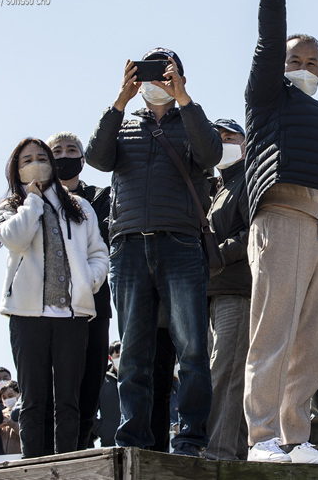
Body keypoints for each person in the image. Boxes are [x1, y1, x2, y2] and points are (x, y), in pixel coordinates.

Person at [85, 47, 222, 456]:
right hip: (127, 246)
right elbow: (96, 157)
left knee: (193, 349)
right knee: (132, 354)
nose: (157, 80)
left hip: (179, 244)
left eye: (167, 72)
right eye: (149, 73)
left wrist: (184, 99)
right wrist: (120, 101)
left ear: (180, 76)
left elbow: (211, 155)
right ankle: (134, 441)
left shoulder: (194, 121)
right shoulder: (125, 124)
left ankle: (192, 439)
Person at [243, 0, 318, 465]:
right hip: (280, 216)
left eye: (312, 63)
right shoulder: (266, 98)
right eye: (295, 60)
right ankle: (261, 435)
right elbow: (268, 48)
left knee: (313, 339)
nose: (303, 68)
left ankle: (297, 437)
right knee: (273, 329)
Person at [0, 137, 108, 458]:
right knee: (34, 398)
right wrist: (33, 201)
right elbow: (15, 237)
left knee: (69, 398)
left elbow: (99, 252)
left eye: (42, 157)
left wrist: (88, 281)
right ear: (16, 168)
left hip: (72, 315)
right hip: (27, 316)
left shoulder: (79, 206)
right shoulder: (9, 207)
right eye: (27, 160)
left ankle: (66, 464)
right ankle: (34, 464)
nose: (36, 163)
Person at [47, 131, 112, 451]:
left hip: (95, 304)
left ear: (83, 160)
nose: (63, 155)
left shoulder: (102, 198)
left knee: (90, 384)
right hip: (51, 308)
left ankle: (81, 451)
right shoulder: (36, 200)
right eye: (55, 151)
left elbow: (103, 246)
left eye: (71, 150)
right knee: (55, 386)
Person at [206, 118, 251, 461]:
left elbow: (256, 232)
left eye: (229, 136)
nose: (223, 142)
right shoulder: (217, 186)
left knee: (229, 372)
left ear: (245, 141)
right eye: (216, 137)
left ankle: (220, 453)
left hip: (239, 290)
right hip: (215, 291)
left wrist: (216, 255)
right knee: (222, 372)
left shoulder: (249, 180)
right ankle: (234, 451)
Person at [94, 341, 121, 448]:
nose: (121, 359)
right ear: (111, 358)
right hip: (109, 443)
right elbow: (91, 411)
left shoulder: (134, 380)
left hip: (133, 443)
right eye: (118, 356)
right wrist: (103, 431)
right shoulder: (102, 381)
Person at [0, 381, 21, 454]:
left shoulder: (24, 411)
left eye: (10, 396)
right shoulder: (1, 414)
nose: (7, 399)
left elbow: (27, 434)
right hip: (2, 457)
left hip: (19, 455)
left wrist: (13, 424)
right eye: (4, 397)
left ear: (19, 394)